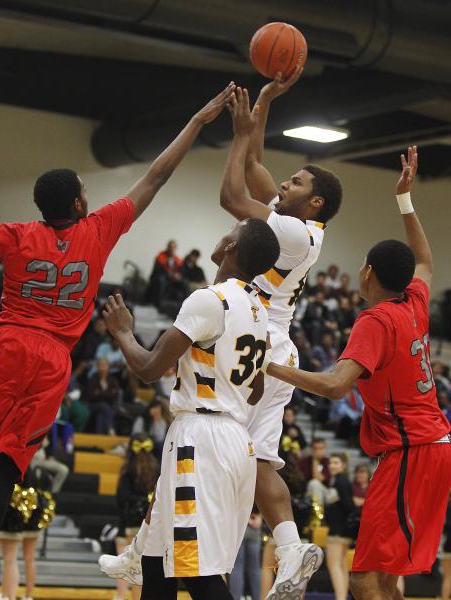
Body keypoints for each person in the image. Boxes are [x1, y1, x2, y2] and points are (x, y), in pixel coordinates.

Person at [0, 81, 236, 550]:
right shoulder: (98, 230)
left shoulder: (13, 234)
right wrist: (198, 122)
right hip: (53, 364)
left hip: (9, 345)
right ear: (80, 205)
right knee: (5, 467)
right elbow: (156, 177)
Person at [260, 146, 451, 600]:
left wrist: (272, 366)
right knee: (385, 578)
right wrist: (404, 200)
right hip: (432, 448)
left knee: (364, 575)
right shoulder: (415, 302)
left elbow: (335, 385)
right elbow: (424, 260)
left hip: (411, 451)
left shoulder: (376, 319)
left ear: (366, 273)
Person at [100, 217, 280, 600]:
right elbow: (255, 388)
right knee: (155, 561)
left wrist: (124, 332)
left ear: (231, 249)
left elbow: (148, 369)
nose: (223, 234)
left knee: (197, 572)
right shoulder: (259, 310)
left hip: (201, 438)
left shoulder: (208, 299)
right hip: (233, 437)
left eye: (229, 232)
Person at [220, 76, 342, 598]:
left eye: (294, 183)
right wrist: (264, 105)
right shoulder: (299, 223)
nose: (282, 185)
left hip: (256, 342)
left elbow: (232, 191)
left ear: (313, 202)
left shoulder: (292, 230)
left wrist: (237, 135)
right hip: (275, 345)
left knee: (202, 433)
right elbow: (256, 168)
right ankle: (291, 549)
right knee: (261, 457)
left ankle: (160, 550)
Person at [114, 434, 158, 600]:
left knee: (124, 565)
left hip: (128, 522)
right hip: (149, 523)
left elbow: (121, 497)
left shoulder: (128, 468)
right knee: (140, 568)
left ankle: (120, 596)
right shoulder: (157, 468)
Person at [324, 453, 355, 600]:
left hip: (338, 530)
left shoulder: (341, 481)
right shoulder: (337, 480)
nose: (332, 465)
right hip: (341, 529)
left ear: (343, 465)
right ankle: (341, 597)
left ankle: (340, 598)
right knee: (341, 566)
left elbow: (349, 505)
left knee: (334, 565)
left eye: (336, 463)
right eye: (331, 463)